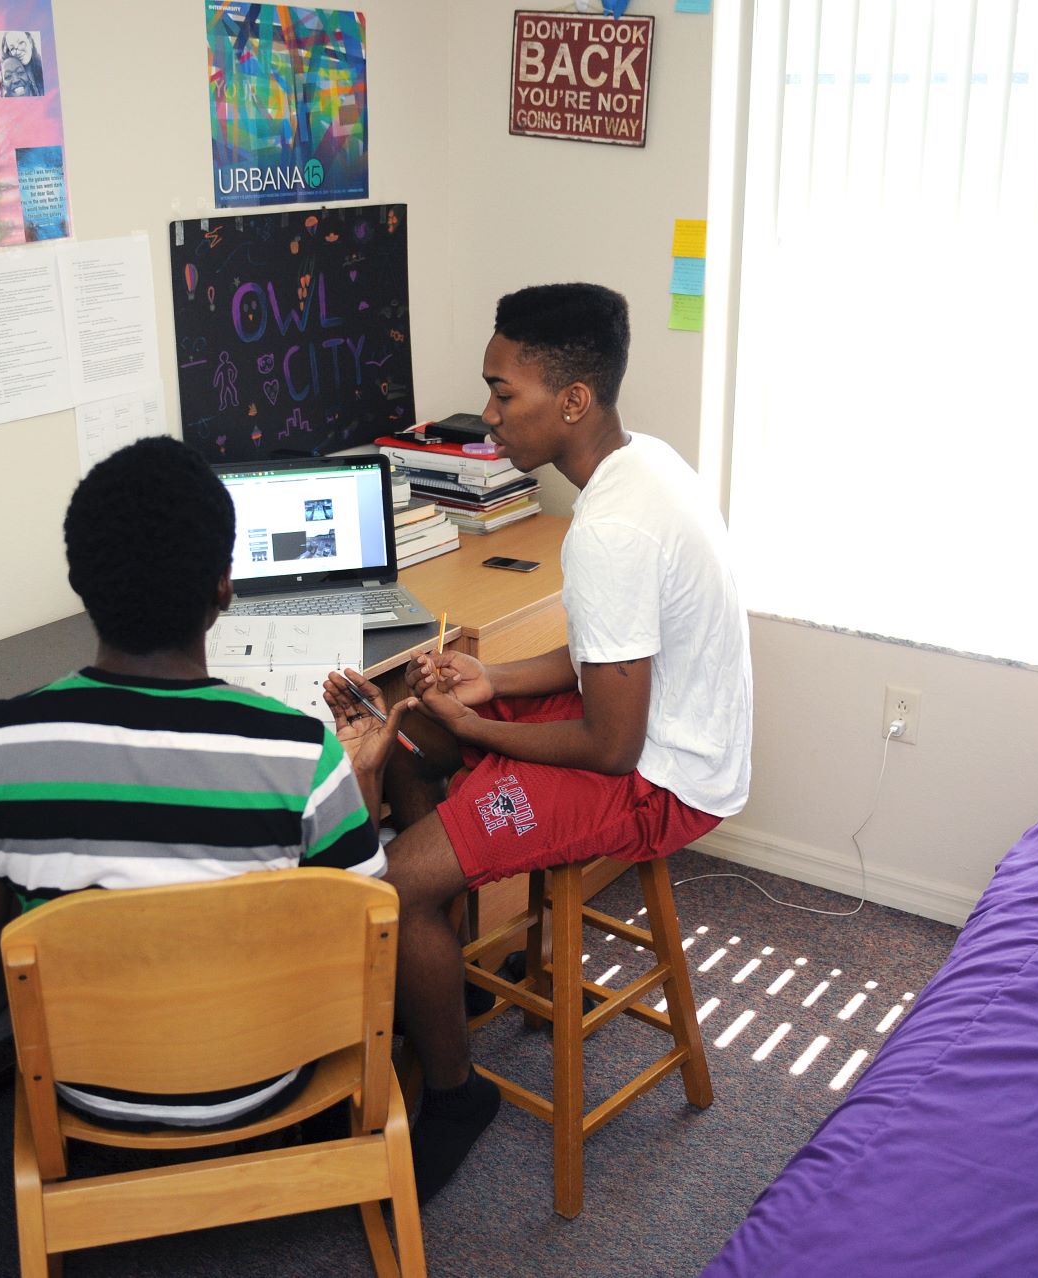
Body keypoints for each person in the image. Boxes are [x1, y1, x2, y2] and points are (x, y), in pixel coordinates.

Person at [337, 282, 754, 1201]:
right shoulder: (647, 464)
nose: (487, 420)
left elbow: (609, 744)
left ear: (572, 400)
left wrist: (481, 725)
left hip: (659, 778)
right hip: (663, 735)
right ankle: (452, 987)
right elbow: (609, 648)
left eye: (502, 394)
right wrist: (493, 685)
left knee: (394, 882)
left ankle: (455, 1095)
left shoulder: (608, 527)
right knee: (411, 740)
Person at [0, 435, 410, 1129]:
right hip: (269, 1075)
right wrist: (360, 777)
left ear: (81, 583)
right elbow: (366, 956)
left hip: (85, 1089)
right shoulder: (302, 753)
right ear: (224, 585)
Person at [0, 30, 44, 97]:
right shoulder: (8, 76)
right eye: (12, 48)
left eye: (21, 43)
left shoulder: (44, 68)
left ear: (30, 41)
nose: (18, 52)